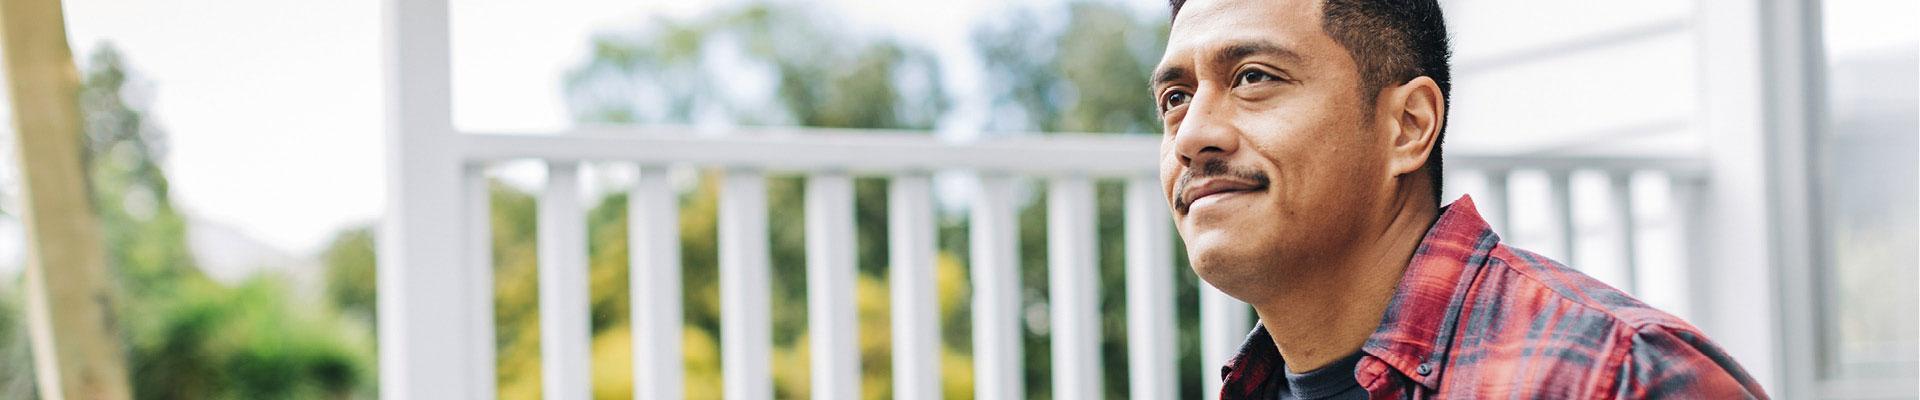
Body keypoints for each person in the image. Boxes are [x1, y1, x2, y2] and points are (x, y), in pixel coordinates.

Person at [1149, 0, 1768, 398]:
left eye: (1253, 77)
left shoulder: (1617, 377)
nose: (1195, 135)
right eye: (1175, 97)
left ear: (1408, 126)